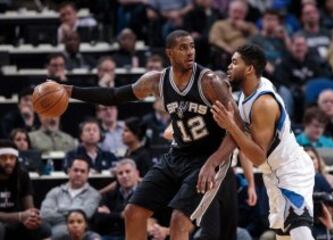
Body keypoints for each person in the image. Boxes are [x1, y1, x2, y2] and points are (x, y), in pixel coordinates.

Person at [62, 30, 235, 240]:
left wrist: (212, 162)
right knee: (132, 213)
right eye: (183, 47)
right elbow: (114, 96)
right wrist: (70, 90)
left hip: (206, 159)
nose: (190, 52)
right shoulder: (156, 81)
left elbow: (238, 130)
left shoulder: (209, 82)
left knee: (179, 220)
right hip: (177, 156)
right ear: (169, 53)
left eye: (192, 46)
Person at [205, 44, 315, 239]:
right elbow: (246, 144)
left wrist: (231, 126)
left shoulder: (263, 104)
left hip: (290, 170)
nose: (229, 66)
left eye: (234, 62)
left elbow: (257, 156)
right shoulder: (247, 93)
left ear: (249, 69)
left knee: (300, 233)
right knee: (284, 235)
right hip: (272, 173)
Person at [0, 140, 51, 240]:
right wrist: (20, 216)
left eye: (12, 158)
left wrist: (32, 218)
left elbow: (29, 208)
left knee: (44, 228)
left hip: (16, 222)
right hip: (5, 221)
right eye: (3, 158)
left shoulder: (22, 175)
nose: (8, 162)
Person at [40, 158, 101, 240]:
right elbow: (44, 214)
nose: (78, 174)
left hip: (81, 234)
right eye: (75, 170)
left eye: (82, 171)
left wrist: (60, 211)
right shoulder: (54, 192)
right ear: (69, 171)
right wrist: (72, 216)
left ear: (88, 174)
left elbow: (86, 214)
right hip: (54, 232)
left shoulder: (94, 194)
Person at [93, 159, 140, 239]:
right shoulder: (110, 195)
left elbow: (136, 219)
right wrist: (120, 215)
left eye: (128, 171)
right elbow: (98, 219)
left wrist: (110, 214)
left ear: (137, 173)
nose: (124, 176)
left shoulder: (145, 195)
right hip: (108, 236)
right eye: (120, 173)